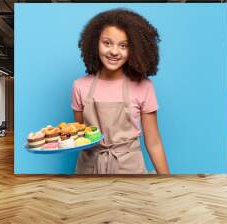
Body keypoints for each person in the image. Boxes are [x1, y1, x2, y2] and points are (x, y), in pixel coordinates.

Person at [71, 8, 169, 174]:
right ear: (95, 43)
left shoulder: (144, 87)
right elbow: (80, 135)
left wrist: (168, 181)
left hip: (130, 169)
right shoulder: (79, 86)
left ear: (135, 49)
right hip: (89, 169)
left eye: (123, 45)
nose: (114, 51)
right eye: (107, 43)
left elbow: (153, 142)